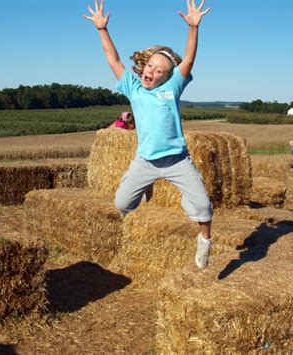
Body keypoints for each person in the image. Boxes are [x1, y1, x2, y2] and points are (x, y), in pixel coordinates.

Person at [84, 0, 213, 268]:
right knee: (121, 203)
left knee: (203, 207)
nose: (151, 72)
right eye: (150, 66)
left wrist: (193, 28)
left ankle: (204, 242)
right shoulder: (134, 88)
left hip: (177, 160)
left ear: (168, 77)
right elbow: (113, 59)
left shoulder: (173, 87)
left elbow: (188, 59)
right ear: (143, 67)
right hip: (146, 161)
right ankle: (146, 185)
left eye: (159, 70)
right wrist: (102, 29)